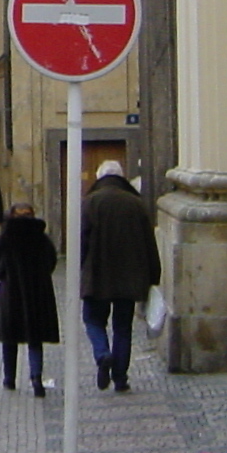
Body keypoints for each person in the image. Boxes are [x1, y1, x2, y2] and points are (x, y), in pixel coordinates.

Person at [78, 159, 160, 392]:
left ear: (100, 177)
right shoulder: (136, 203)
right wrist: (154, 275)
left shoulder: (90, 203)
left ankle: (103, 353)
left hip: (97, 276)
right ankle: (121, 378)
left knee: (93, 320)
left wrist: (81, 270)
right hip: (129, 278)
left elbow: (82, 242)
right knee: (123, 327)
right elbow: (149, 242)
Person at [0, 201, 58, 396]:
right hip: (38, 293)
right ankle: (36, 378)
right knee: (35, 338)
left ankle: (9, 379)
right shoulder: (41, 237)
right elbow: (51, 261)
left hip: (12, 292)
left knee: (9, 337)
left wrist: (5, 276)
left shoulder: (6, 238)